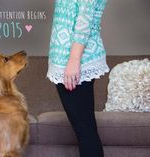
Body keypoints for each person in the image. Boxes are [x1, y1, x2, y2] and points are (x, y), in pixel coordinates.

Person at [47, 0, 109, 157]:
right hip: (67, 61)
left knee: (85, 132)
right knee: (86, 131)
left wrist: (74, 60)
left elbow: (85, 19)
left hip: (77, 63)